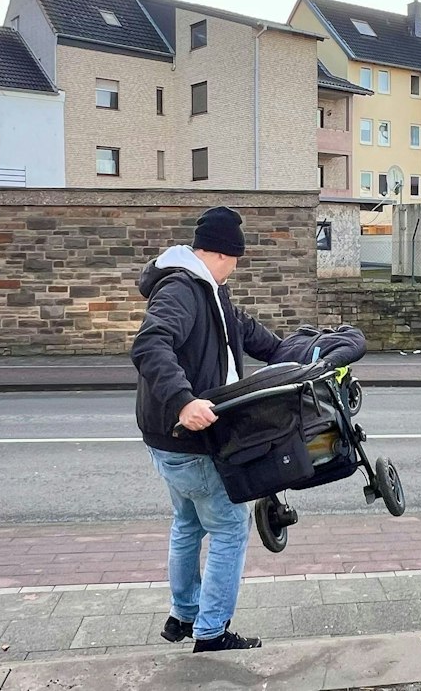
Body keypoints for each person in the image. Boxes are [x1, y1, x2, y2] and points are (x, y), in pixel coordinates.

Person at [130, 206, 301, 653]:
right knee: (229, 527)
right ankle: (212, 632)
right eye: (235, 261)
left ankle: (183, 615)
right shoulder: (182, 290)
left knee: (187, 523)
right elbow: (150, 344)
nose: (235, 271)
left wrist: (291, 354)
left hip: (168, 439)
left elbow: (242, 331)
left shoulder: (209, 289)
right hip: (189, 437)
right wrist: (184, 401)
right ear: (224, 254)